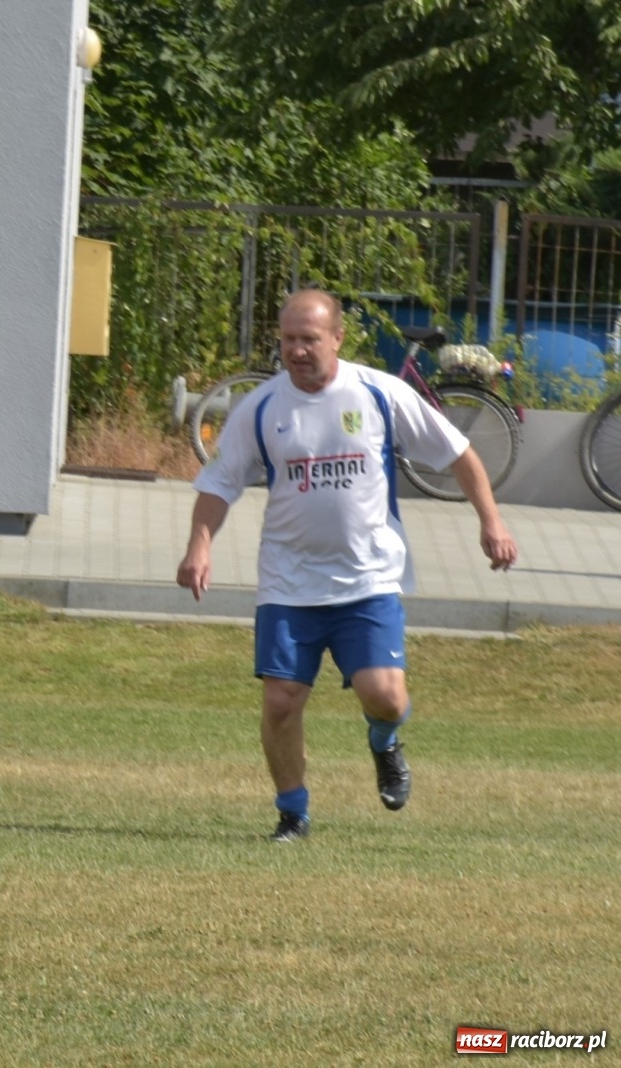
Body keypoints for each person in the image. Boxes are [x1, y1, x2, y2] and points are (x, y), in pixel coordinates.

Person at [176, 289, 518, 842]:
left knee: (386, 697)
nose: (297, 350)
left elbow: (458, 453)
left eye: (309, 339)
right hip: (289, 583)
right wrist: (199, 544)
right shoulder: (261, 407)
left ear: (337, 337)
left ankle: (384, 742)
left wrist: (492, 523)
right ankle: (293, 815)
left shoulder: (381, 393)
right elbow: (218, 483)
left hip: (368, 580)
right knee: (281, 702)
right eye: (288, 339)